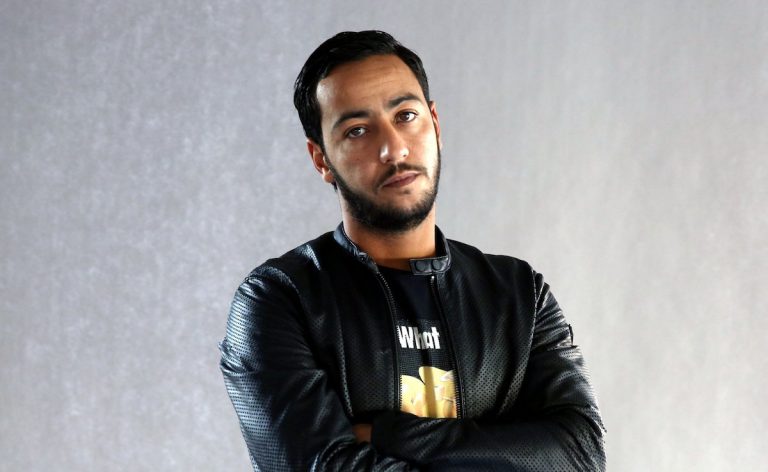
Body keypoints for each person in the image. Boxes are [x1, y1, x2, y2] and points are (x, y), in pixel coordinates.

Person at [219, 30, 606, 471]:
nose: (393, 148)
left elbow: (581, 454)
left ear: (435, 124)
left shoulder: (519, 295)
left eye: (405, 115)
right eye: (357, 130)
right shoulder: (278, 299)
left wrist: (385, 434)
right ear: (321, 159)